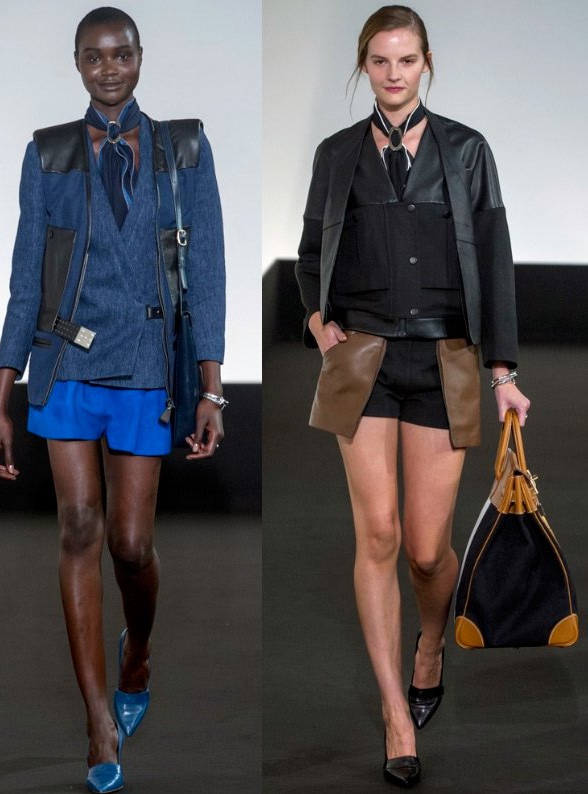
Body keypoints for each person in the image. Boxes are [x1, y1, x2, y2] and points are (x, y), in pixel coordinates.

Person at [0, 6, 226, 793]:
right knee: (79, 527)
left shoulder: (182, 149)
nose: (109, 69)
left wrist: (211, 387)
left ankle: (138, 652)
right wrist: (0, 395)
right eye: (94, 57)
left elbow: (207, 271)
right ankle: (97, 721)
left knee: (129, 544)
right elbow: (25, 277)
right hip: (65, 364)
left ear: (140, 57)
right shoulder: (49, 153)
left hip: (148, 365)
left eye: (121, 54)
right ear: (77, 64)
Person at [295, 5, 529, 788]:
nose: (392, 74)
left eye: (405, 60)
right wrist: (317, 322)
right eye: (379, 60)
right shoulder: (336, 155)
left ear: (426, 63)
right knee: (378, 535)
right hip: (360, 359)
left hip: (442, 358)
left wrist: (502, 373)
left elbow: (493, 257)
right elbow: (310, 252)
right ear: (362, 66)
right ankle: (396, 716)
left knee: (428, 552)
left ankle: (429, 642)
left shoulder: (465, 151)